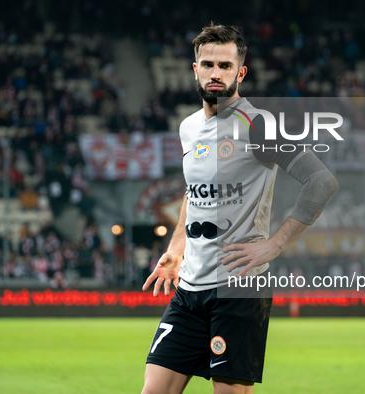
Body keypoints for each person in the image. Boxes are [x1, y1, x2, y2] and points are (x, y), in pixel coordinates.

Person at [141, 24, 339, 394]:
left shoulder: (257, 125)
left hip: (239, 288)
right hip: (189, 289)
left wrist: (274, 245)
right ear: (195, 69)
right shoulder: (188, 128)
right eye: (208, 64)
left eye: (225, 66)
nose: (216, 73)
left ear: (240, 72)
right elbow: (194, 191)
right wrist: (175, 247)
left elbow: (321, 181)